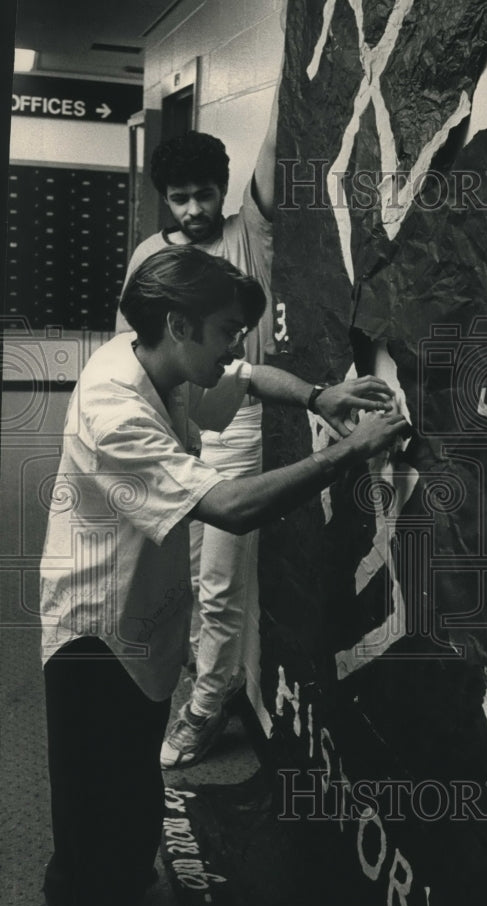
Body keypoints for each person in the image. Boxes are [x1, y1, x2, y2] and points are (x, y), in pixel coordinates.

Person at [40, 245, 407, 906]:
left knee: (94, 779)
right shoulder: (117, 406)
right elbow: (231, 509)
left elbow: (244, 378)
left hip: (132, 617)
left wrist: (315, 399)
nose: (240, 345)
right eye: (228, 330)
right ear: (180, 323)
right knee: (119, 796)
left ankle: (74, 876)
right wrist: (350, 451)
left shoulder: (162, 358)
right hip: (97, 628)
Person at [117, 101, 285, 767]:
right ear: (165, 199)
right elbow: (134, 355)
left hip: (239, 427)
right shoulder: (150, 258)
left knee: (220, 582)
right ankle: (200, 676)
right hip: (176, 431)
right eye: (180, 198)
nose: (194, 209)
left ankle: (209, 707)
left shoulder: (251, 232)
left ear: (224, 188)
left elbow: (275, 147)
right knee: (182, 577)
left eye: (204, 194)